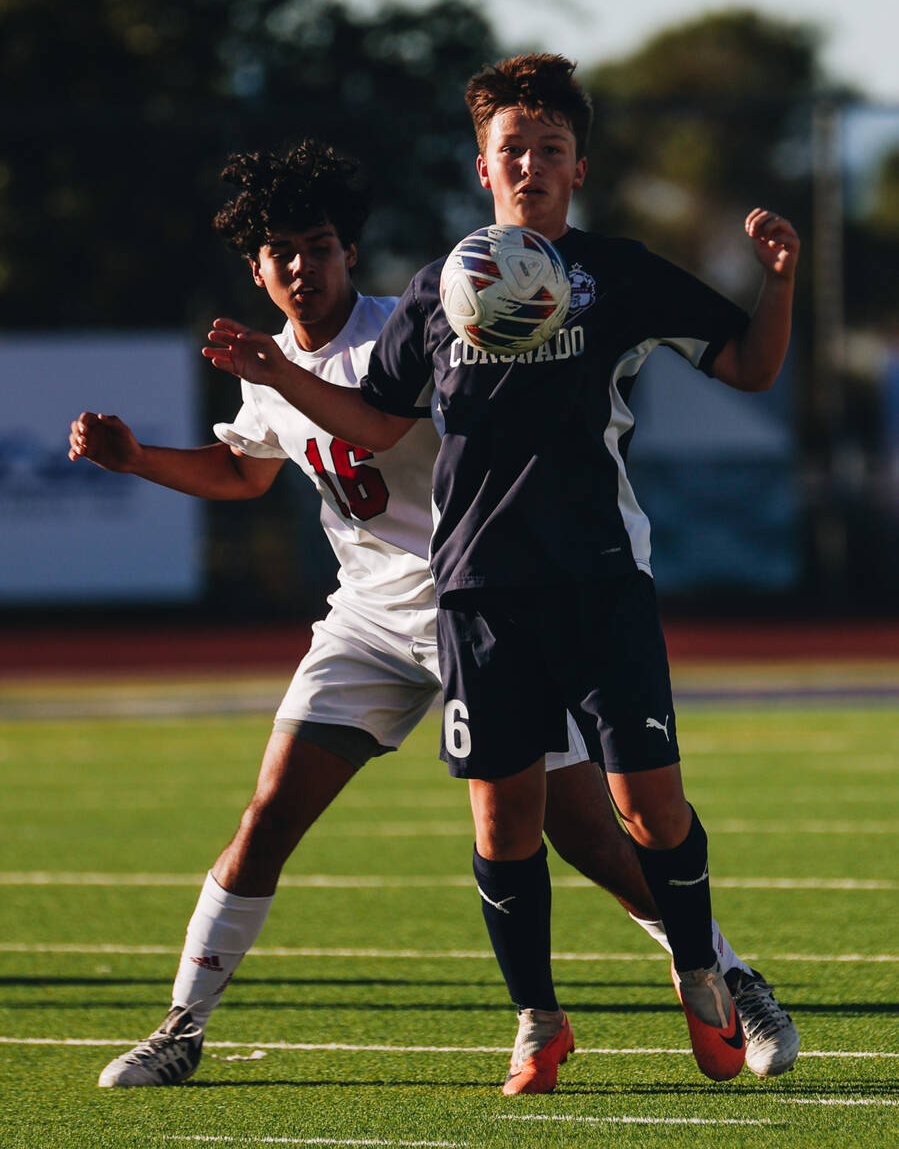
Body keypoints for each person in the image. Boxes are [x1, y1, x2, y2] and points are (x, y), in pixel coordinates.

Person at [200, 58, 801, 1095]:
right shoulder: (438, 292)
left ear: (578, 166)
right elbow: (381, 422)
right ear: (482, 164)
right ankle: (537, 1022)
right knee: (500, 822)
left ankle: (702, 972)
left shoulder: (617, 272)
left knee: (649, 813)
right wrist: (281, 376)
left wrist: (780, 283)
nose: (529, 164)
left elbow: (749, 366)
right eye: (510, 148)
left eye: (550, 149)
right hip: (475, 593)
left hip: (601, 579)